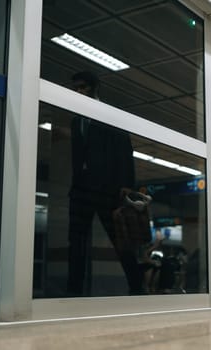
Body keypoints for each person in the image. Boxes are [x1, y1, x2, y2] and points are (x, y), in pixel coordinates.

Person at [67, 71, 145, 296]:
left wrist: (126, 184)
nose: (80, 92)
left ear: (95, 88)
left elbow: (124, 151)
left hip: (107, 189)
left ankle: (137, 286)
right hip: (82, 189)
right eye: (77, 88)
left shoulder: (109, 115)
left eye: (84, 87)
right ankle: (74, 292)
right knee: (76, 241)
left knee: (120, 239)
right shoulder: (76, 122)